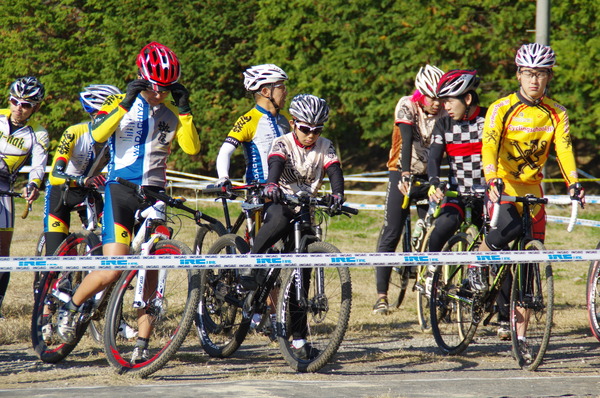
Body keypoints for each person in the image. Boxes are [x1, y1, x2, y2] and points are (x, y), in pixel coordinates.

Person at [55, 42, 200, 364]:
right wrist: (125, 103)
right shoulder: (122, 104)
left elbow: (191, 150)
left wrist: (186, 110)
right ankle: (72, 306)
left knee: (153, 269)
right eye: (155, 87)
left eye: (167, 88)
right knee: (113, 267)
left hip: (154, 194)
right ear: (141, 78)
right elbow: (96, 136)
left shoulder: (172, 115)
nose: (160, 94)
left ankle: (143, 342)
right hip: (120, 191)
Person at [477, 43, 585, 351]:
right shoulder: (501, 108)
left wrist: (573, 183)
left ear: (549, 76)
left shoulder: (557, 113)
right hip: (504, 186)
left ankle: (521, 338)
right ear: (518, 75)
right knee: (499, 239)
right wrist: (491, 177)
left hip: (533, 191)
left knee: (530, 263)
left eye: (540, 74)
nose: (533, 80)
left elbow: (563, 149)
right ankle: (475, 267)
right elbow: (489, 145)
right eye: (527, 73)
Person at [243, 94, 344, 359]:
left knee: (303, 276)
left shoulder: (325, 145)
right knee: (277, 219)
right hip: (281, 201)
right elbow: (275, 163)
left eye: (317, 130)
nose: (311, 135)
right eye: (306, 129)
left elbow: (334, 170)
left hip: (306, 210)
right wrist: (272, 184)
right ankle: (251, 263)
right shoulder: (283, 142)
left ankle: (298, 339)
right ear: (293, 123)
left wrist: (338, 194)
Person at [373, 65, 445, 315]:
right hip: (401, 170)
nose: (437, 103)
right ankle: (381, 296)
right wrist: (404, 175)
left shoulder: (445, 111)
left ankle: (432, 287)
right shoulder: (406, 104)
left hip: (428, 174)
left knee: (434, 228)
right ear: (420, 94)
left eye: (441, 97)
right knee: (392, 230)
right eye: (432, 97)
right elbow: (404, 142)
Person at [425, 69, 487, 292]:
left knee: (496, 248)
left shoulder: (489, 120)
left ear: (467, 99)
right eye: (443, 102)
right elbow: (434, 156)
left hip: (487, 196)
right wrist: (434, 182)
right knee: (443, 226)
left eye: (449, 101)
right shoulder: (443, 124)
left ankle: (502, 316)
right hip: (457, 194)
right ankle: (431, 273)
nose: (445, 107)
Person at [43, 84, 122, 256]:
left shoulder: (117, 139)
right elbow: (55, 174)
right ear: (96, 115)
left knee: (107, 238)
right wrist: (81, 180)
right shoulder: (75, 132)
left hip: (89, 192)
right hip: (61, 191)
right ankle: (52, 280)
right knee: (55, 255)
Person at [0, 76, 49, 318]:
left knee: (2, 252)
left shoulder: (38, 133)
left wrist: (33, 185)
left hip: (3, 188)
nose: (19, 107)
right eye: (14, 101)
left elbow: (38, 166)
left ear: (36, 107)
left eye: (26, 104)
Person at [215, 64, 290, 187]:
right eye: (281, 87)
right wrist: (223, 178)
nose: (285, 92)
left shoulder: (287, 117)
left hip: (287, 190)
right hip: (259, 190)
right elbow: (225, 152)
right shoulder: (248, 120)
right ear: (266, 92)